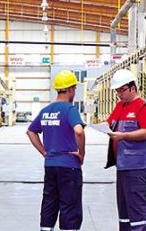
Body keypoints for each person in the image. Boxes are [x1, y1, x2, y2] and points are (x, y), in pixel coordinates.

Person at [27, 70, 86, 231]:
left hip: (50, 165)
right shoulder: (70, 110)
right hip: (69, 166)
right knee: (69, 205)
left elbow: (31, 131)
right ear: (71, 89)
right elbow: (79, 131)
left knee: (49, 202)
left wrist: (44, 152)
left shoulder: (46, 110)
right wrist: (81, 154)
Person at [106, 69, 146, 231]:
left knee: (137, 205)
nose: (119, 94)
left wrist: (124, 136)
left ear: (132, 88)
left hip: (136, 165)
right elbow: (110, 123)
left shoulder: (143, 107)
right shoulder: (120, 106)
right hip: (122, 164)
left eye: (122, 90)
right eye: (117, 91)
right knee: (124, 207)